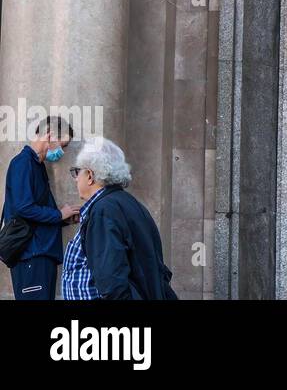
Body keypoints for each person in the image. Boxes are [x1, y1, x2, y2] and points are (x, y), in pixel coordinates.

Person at [67, 138, 178, 299]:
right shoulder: (126, 203)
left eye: (77, 172)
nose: (76, 178)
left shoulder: (104, 210)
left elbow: (111, 281)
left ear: (90, 175)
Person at [2, 116, 78, 300]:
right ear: (50, 135)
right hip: (32, 254)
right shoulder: (23, 163)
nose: (62, 152)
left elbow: (33, 211)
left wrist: (64, 219)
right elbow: (24, 208)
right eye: (63, 145)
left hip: (39, 253)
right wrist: (59, 214)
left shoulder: (36, 165)